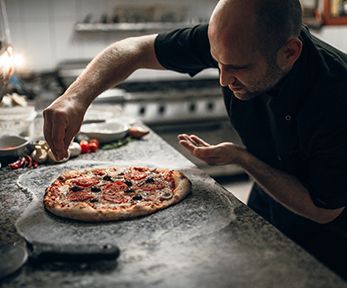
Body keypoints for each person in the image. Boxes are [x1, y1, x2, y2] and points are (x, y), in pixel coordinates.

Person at [44, 0, 347, 278]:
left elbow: (322, 209)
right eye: (217, 62)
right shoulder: (233, 39)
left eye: (237, 69)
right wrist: (75, 98)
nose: (223, 80)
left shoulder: (336, 93)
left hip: (329, 239)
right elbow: (133, 49)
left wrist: (242, 158)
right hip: (268, 202)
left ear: (289, 53)